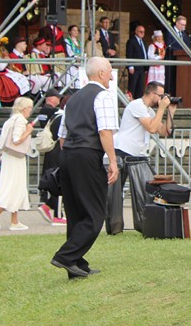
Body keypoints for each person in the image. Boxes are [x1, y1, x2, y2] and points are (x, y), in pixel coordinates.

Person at [52, 56, 119, 280]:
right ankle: (66, 256)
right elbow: (105, 131)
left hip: (68, 154)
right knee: (94, 213)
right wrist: (112, 161)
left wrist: (69, 157)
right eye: (109, 72)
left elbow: (62, 135)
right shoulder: (103, 95)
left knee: (75, 212)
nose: (111, 77)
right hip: (87, 154)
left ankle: (76, 263)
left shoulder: (72, 99)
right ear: (101, 73)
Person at [108, 82, 175, 232]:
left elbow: (163, 131)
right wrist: (161, 109)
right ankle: (114, 227)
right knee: (115, 194)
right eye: (161, 95)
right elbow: (151, 127)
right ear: (152, 94)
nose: (162, 99)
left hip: (137, 154)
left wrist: (171, 111)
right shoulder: (137, 105)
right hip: (124, 152)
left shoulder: (149, 110)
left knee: (144, 190)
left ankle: (143, 224)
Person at [0, 97, 34, 231]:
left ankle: (14, 220)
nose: (30, 111)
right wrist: (28, 131)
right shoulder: (20, 120)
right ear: (24, 109)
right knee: (15, 185)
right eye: (29, 108)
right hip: (15, 157)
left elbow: (1, 142)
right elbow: (16, 140)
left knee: (16, 185)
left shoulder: (10, 120)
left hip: (8, 156)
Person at [39, 93, 68, 225]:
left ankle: (49, 206)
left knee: (59, 183)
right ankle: (57, 214)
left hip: (53, 152)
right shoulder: (61, 117)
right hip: (57, 153)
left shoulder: (56, 116)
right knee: (59, 183)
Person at [165, 15, 191, 95]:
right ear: (177, 23)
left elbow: (188, 46)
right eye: (182, 24)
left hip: (181, 61)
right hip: (171, 59)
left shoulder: (185, 34)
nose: (183, 27)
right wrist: (179, 51)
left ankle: (177, 95)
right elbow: (169, 45)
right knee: (170, 79)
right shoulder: (170, 32)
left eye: (185, 25)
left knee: (178, 79)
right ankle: (168, 95)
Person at [125, 24, 149, 100]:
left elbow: (145, 54)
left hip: (142, 68)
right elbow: (129, 54)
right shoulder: (131, 41)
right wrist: (130, 66)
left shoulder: (144, 42)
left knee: (140, 87)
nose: (142, 33)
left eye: (143, 32)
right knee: (133, 86)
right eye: (140, 31)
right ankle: (130, 101)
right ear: (136, 31)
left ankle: (138, 101)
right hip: (134, 68)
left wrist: (146, 67)